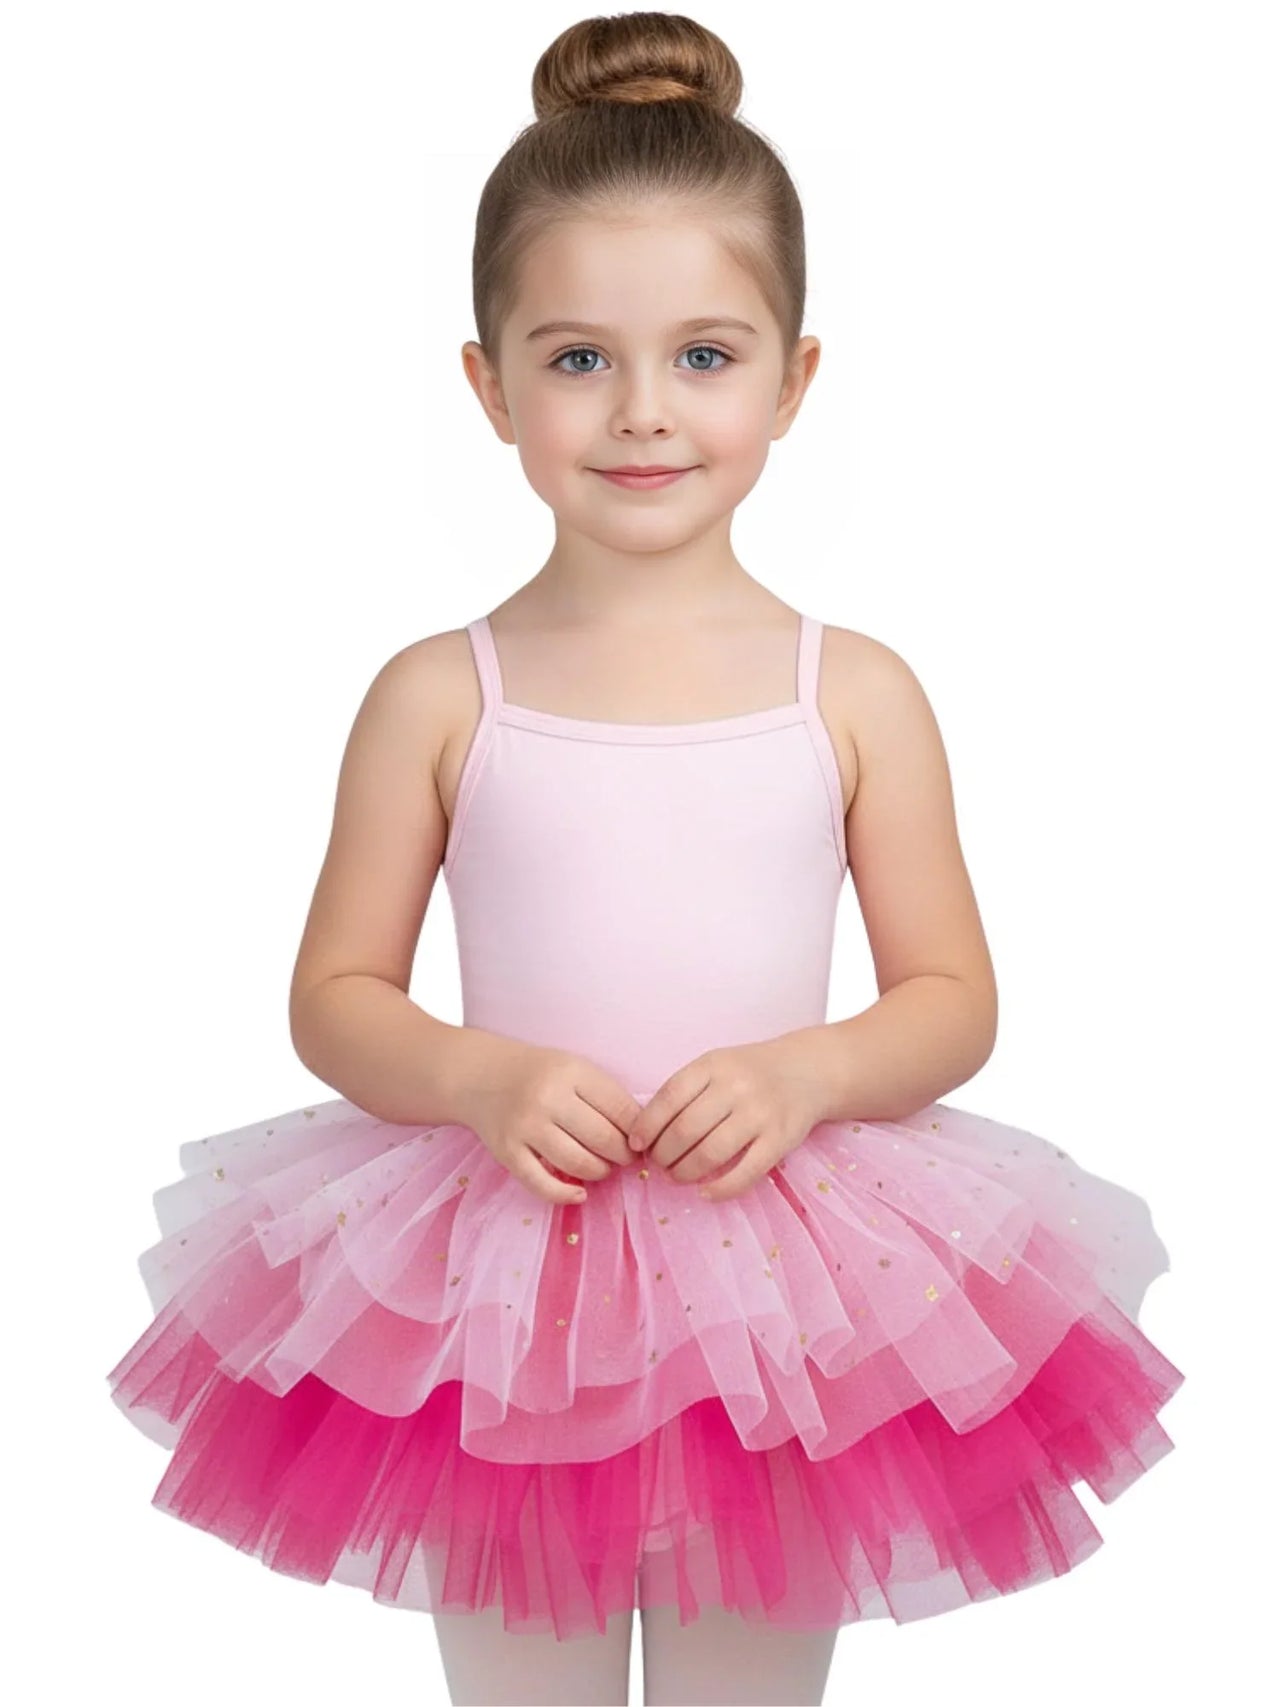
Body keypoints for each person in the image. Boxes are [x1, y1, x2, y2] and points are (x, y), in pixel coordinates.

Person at [105, 11, 1186, 1706]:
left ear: (792, 378)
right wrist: (472, 1078)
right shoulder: (436, 693)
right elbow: (334, 996)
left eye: (702, 355)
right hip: (505, 1291)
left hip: (785, 1283)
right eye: (577, 357)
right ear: (489, 383)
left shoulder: (858, 690)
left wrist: (812, 1070)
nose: (641, 414)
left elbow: (954, 995)